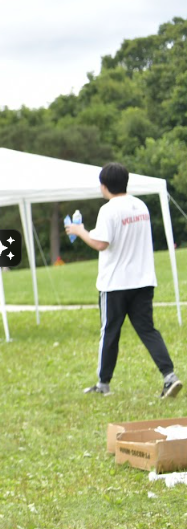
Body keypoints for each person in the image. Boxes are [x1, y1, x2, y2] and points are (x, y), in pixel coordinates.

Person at [65, 162, 181, 398]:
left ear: (104, 186)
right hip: (143, 280)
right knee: (148, 330)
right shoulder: (141, 206)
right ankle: (170, 376)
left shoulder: (109, 210)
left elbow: (101, 243)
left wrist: (80, 231)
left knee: (109, 332)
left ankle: (103, 384)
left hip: (115, 283)